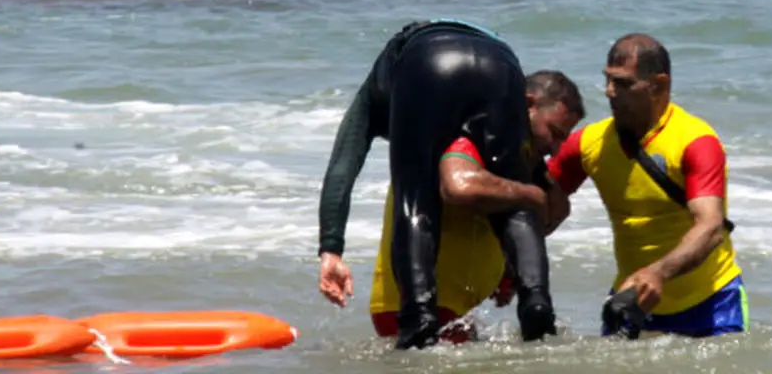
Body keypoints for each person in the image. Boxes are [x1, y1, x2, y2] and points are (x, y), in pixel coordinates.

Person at [316, 19, 566, 349]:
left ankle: (418, 321)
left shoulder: (377, 89)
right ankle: (537, 307)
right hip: (502, 64)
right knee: (515, 200)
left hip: (427, 60)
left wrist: (331, 248)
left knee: (415, 204)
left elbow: (344, 162)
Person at [546, 33, 747, 339]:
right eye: (608, 81)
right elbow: (541, 206)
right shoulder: (588, 144)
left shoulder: (695, 142)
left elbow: (711, 227)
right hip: (631, 303)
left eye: (624, 84)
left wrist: (658, 273)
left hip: (713, 304)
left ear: (659, 85)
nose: (610, 92)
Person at [368, 70, 585, 343]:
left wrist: (505, 266)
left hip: (449, 306)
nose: (554, 148)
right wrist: (531, 194)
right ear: (527, 104)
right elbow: (459, 187)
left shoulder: (512, 154)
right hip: (420, 302)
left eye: (562, 139)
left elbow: (555, 212)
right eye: (553, 133)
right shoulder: (471, 134)